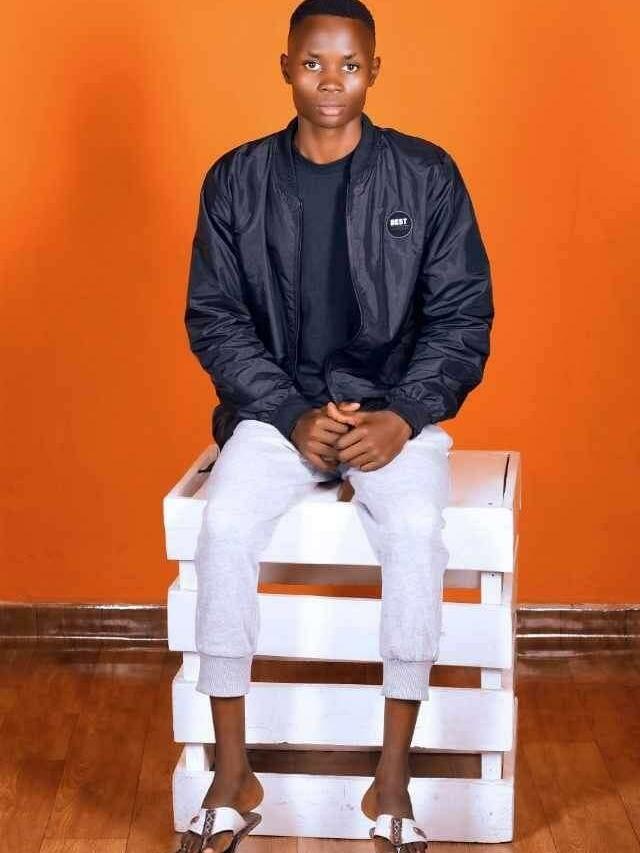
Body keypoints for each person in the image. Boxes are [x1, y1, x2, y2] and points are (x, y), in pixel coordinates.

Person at [177, 1, 494, 851]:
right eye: (313, 63)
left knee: (417, 529)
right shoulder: (235, 179)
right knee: (225, 524)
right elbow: (215, 317)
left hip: (392, 411)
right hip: (275, 410)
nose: (330, 81)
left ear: (374, 72)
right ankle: (233, 773)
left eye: (349, 65)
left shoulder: (426, 175)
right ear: (285, 66)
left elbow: (461, 317)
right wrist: (288, 412)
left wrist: (406, 414)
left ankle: (390, 781)